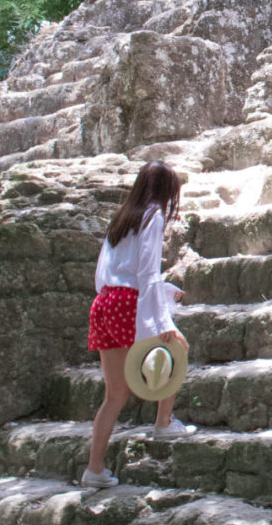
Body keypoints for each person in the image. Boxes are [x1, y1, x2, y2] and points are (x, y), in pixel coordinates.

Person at [82, 160, 193, 490]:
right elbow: (145, 273)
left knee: (115, 395)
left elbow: (111, 272)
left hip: (104, 303)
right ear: (164, 190)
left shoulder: (121, 217)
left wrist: (165, 293)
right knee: (178, 347)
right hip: (128, 303)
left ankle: (94, 469)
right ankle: (163, 421)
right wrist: (161, 319)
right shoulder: (153, 215)